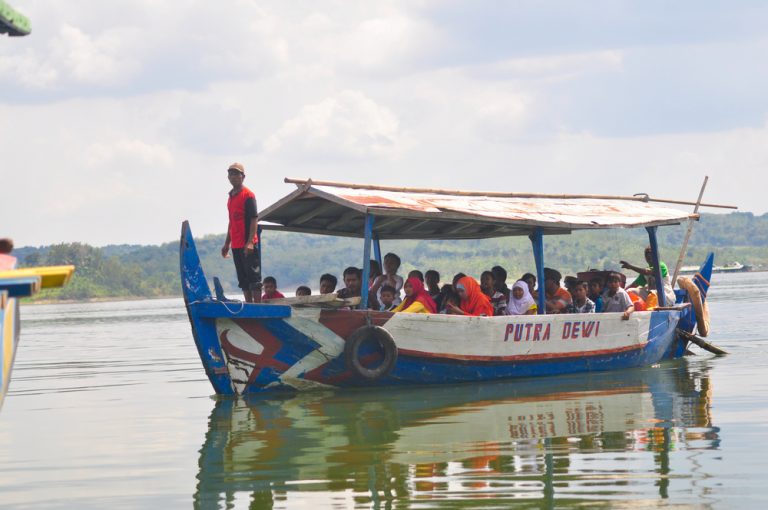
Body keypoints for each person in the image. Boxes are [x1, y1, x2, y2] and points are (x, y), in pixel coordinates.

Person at [221, 162, 261, 303]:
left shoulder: (248, 195)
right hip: (236, 245)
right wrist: (227, 244)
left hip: (247, 244)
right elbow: (231, 222)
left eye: (236, 174)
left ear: (243, 177)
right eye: (230, 174)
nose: (233, 177)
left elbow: (254, 219)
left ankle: (257, 307)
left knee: (253, 278)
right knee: (243, 278)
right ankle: (249, 305)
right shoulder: (231, 197)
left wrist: (250, 242)